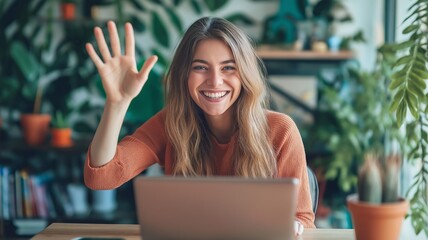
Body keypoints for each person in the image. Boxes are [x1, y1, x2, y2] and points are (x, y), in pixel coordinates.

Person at [84, 17, 315, 234]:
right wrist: (117, 103)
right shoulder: (169, 124)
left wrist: (293, 227)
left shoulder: (280, 130)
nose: (215, 81)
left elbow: (303, 221)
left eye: (228, 67)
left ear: (245, 74)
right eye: (200, 67)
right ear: (184, 74)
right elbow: (102, 178)